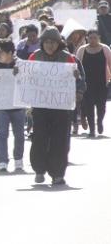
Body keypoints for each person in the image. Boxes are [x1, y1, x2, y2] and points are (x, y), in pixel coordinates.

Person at [27, 27, 81, 185]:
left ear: (59, 43)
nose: (50, 45)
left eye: (53, 42)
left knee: (60, 139)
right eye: (47, 42)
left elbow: (80, 81)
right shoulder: (34, 57)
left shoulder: (68, 59)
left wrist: (77, 82)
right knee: (40, 138)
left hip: (61, 107)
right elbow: (27, 78)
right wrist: (19, 73)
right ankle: (39, 169)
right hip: (40, 105)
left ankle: (57, 173)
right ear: (42, 43)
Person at [0, 39, 26, 173]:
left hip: (18, 106)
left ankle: (18, 160)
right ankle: (3, 161)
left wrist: (20, 74)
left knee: (19, 134)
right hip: (1, 106)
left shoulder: (21, 65)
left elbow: (28, 83)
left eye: (1, 52)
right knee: (2, 134)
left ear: (10, 53)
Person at [76, 30, 111, 138]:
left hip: (102, 83)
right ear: (87, 38)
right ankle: (92, 129)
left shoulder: (105, 49)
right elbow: (77, 65)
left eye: (95, 38)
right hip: (87, 84)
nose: (93, 40)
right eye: (90, 38)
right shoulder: (82, 50)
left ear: (99, 38)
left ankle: (99, 121)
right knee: (89, 106)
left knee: (102, 106)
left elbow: (110, 64)